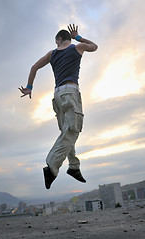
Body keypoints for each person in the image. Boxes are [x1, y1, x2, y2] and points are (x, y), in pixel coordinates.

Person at [19, 24, 98, 189]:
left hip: (57, 96)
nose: (56, 45)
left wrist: (30, 87)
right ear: (67, 38)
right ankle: (52, 168)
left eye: (56, 42)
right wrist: (78, 37)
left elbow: (34, 67)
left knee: (66, 132)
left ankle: (74, 166)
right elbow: (95, 46)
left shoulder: (52, 54)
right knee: (72, 130)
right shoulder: (78, 48)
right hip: (71, 93)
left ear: (59, 39)